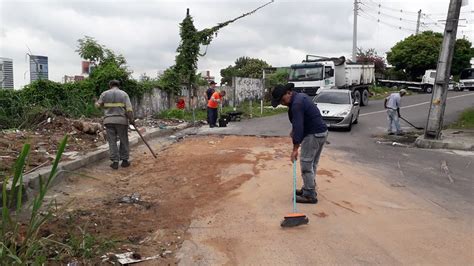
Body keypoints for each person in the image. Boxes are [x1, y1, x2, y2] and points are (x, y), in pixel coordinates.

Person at [271, 83, 328, 204]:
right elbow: (301, 119)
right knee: (312, 163)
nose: (282, 103)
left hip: (313, 134)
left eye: (282, 100)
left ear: (288, 92)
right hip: (321, 132)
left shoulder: (296, 104)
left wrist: (295, 149)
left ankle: (310, 195)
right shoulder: (300, 97)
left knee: (306, 164)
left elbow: (299, 126)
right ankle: (309, 187)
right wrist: (294, 130)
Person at [95, 80, 134, 169]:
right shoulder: (124, 94)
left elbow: (98, 105)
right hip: (121, 121)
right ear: (118, 85)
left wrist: (96, 103)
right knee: (124, 140)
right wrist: (131, 119)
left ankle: (115, 162)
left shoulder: (104, 94)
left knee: (112, 141)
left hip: (109, 121)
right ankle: (124, 161)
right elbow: (129, 109)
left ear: (110, 85)